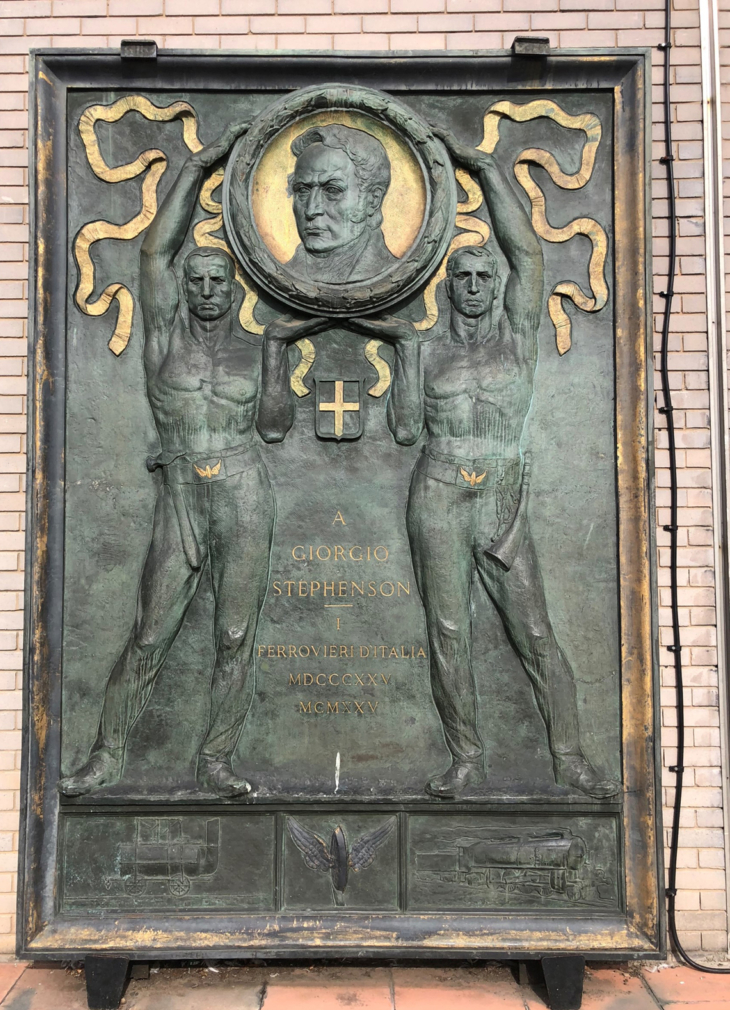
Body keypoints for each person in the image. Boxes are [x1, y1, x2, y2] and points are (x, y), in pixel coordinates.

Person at [350, 128, 620, 801]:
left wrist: (486, 167)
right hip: (438, 489)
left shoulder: (516, 340)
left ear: (497, 289)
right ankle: (466, 760)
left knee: (533, 630)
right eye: (461, 277)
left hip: (500, 491)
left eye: (482, 277)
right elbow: (407, 428)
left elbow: (528, 253)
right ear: (450, 290)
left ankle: (572, 759)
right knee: (447, 630)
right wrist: (405, 360)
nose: (472, 285)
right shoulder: (429, 349)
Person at [61, 123, 283, 799]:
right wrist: (202, 164)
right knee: (150, 632)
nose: (210, 288)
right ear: (185, 288)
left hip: (243, 487)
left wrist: (276, 369)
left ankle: (216, 760)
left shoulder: (255, 346)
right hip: (183, 489)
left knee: (235, 633)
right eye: (200, 279)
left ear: (234, 288)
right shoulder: (163, 341)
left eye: (221, 279)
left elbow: (275, 426)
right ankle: (107, 754)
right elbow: (155, 252)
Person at [285, 124, 399, 285]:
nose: (311, 210)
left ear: (373, 199)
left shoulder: (392, 273)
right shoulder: (281, 275)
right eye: (303, 190)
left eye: (332, 190)